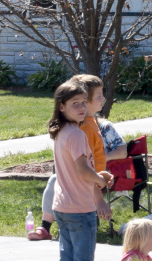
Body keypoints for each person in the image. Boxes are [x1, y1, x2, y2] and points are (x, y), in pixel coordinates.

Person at [30, 75, 126, 241]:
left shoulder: (90, 124)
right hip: (81, 192)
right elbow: (85, 169)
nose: (103, 99)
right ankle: (45, 226)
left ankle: (45, 226)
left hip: (90, 184)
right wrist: (99, 198)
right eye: (98, 96)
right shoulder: (81, 130)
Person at [49, 82, 112, 261]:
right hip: (80, 208)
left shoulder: (62, 131)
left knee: (67, 257)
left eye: (83, 102)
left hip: (62, 206)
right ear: (62, 107)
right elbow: (83, 171)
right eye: (74, 103)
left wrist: (98, 176)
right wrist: (100, 180)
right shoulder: (77, 134)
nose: (81, 107)